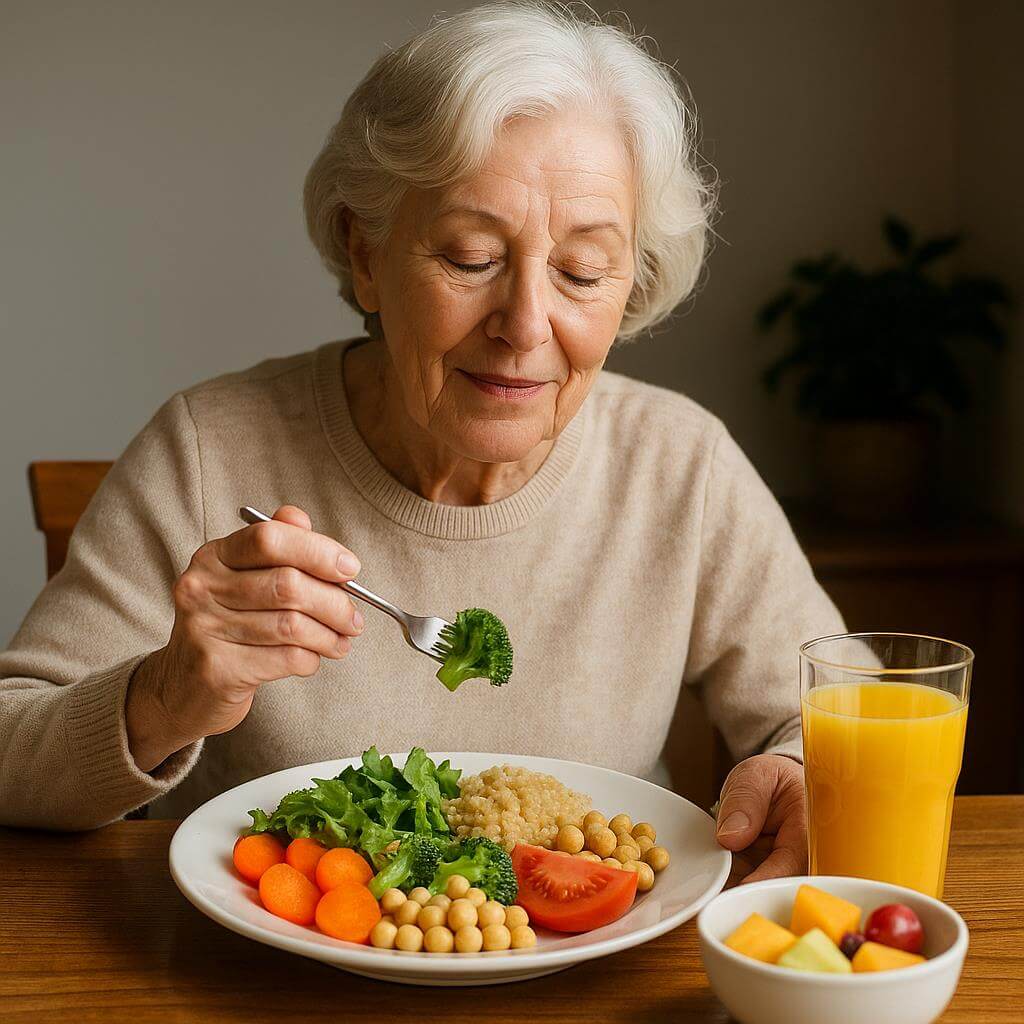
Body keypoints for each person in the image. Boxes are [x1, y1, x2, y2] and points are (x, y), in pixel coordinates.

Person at [0, 1, 842, 883]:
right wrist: (166, 697)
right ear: (363, 252)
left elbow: (843, 713)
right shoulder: (210, 449)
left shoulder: (680, 467)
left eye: (582, 272)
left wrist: (790, 771)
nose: (524, 326)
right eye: (472, 258)